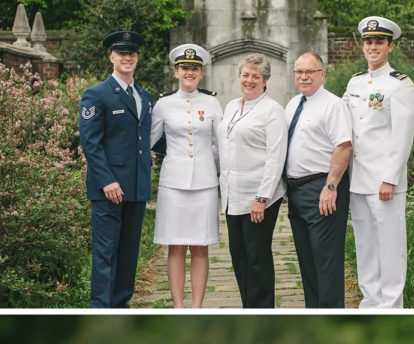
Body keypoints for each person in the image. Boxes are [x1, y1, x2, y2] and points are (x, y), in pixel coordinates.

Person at [343, 15, 414, 311]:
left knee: (390, 246)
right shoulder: (355, 82)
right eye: (369, 42)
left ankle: (391, 306)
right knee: (366, 246)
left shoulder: (400, 85)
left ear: (390, 46)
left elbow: (402, 136)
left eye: (379, 42)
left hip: (384, 182)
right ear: (363, 46)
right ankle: (370, 302)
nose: (373, 47)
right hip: (358, 179)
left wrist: (390, 178)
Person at [77, 28, 154, 310]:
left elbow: (146, 140)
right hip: (109, 188)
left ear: (137, 58)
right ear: (111, 57)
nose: (127, 57)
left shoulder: (144, 96)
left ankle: (121, 306)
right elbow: (90, 142)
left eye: (131, 53)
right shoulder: (97, 94)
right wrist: (106, 180)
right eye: (121, 53)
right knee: (105, 253)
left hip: (136, 187)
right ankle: (100, 308)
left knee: (129, 252)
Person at [149, 43, 221, 310]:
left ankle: (197, 306)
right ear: (176, 71)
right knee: (176, 246)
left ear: (201, 72)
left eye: (194, 68)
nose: (189, 72)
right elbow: (149, 141)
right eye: (184, 68)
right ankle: (178, 306)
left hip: (204, 184)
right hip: (174, 184)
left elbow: (221, 144)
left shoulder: (212, 103)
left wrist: (215, 168)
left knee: (201, 246)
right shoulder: (163, 104)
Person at [282, 51, 353, 309]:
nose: (303, 76)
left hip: (322, 189)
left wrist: (331, 186)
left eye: (309, 72)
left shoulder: (333, 105)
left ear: (322, 74)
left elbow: (343, 146)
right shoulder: (293, 104)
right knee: (307, 260)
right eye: (299, 72)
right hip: (296, 191)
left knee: (326, 260)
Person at [218, 53, 288, 309]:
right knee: (239, 255)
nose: (249, 80)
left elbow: (275, 157)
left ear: (265, 79)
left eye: (255, 76)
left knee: (257, 257)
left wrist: (262, 197)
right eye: (245, 75)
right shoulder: (231, 106)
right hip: (232, 196)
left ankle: (263, 309)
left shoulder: (272, 111)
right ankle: (248, 307)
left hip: (258, 197)